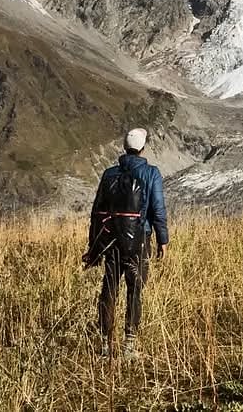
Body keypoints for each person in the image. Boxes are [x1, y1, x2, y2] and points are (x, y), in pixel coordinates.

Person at [83, 127, 169, 358]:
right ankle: (129, 345)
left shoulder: (110, 174)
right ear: (142, 148)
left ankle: (105, 343)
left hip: (111, 239)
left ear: (124, 147)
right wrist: (163, 240)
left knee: (109, 288)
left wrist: (94, 244)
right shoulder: (151, 173)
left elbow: (97, 210)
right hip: (139, 238)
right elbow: (158, 209)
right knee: (135, 289)